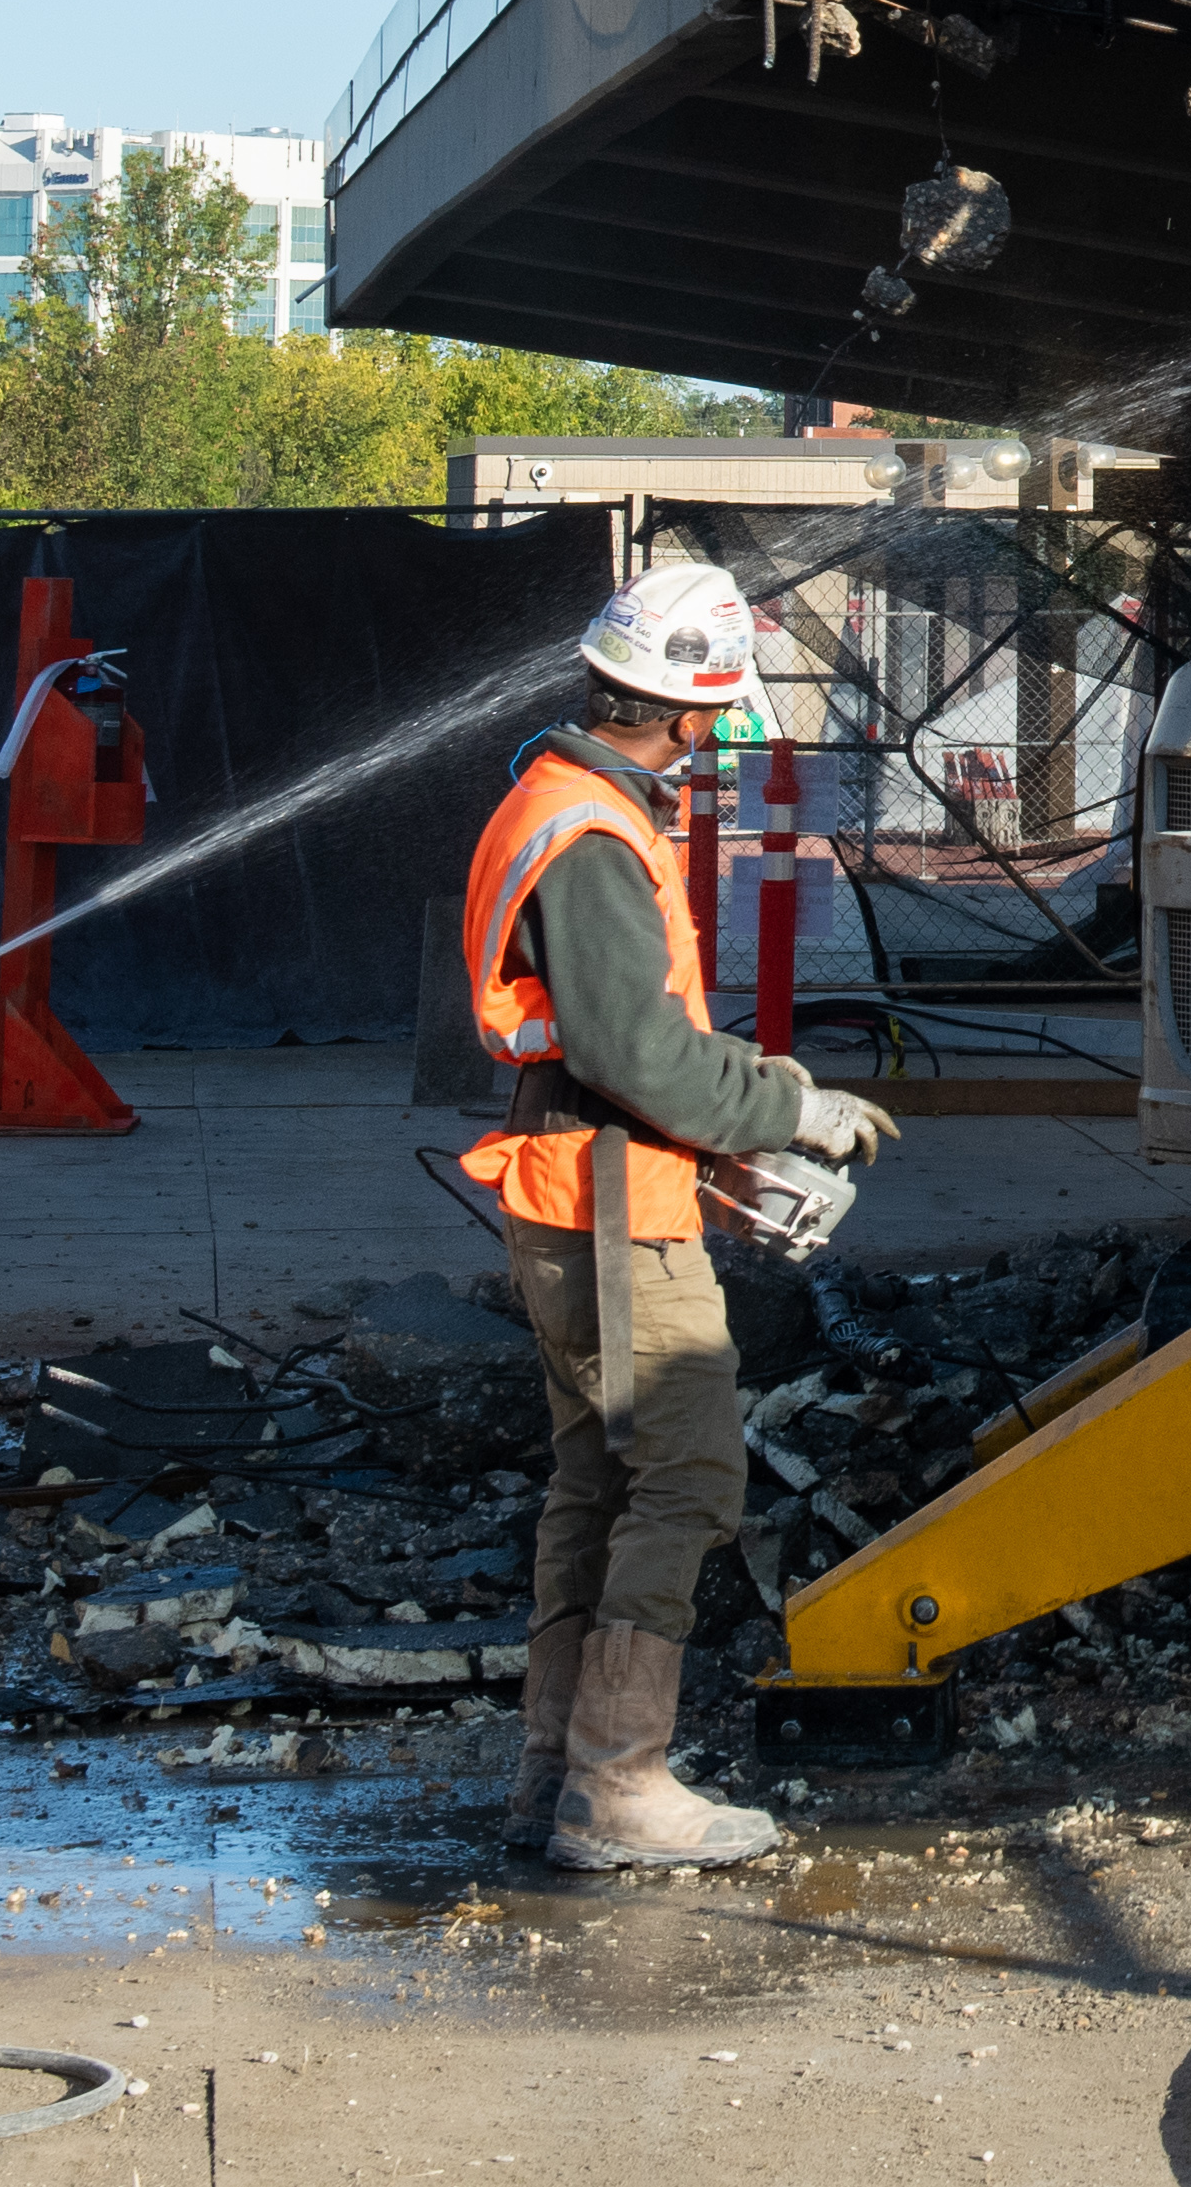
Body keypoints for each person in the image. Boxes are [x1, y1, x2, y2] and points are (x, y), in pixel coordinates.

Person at [457, 563, 895, 1871]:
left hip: (586, 1183)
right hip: (603, 1202)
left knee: (596, 1484)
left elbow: (604, 1049)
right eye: (713, 725)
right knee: (690, 1474)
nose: (711, 752)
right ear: (688, 713)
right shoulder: (590, 835)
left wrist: (716, 1149)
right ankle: (620, 1783)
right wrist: (782, 1108)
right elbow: (632, 1052)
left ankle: (554, 1773)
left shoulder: (561, 801)